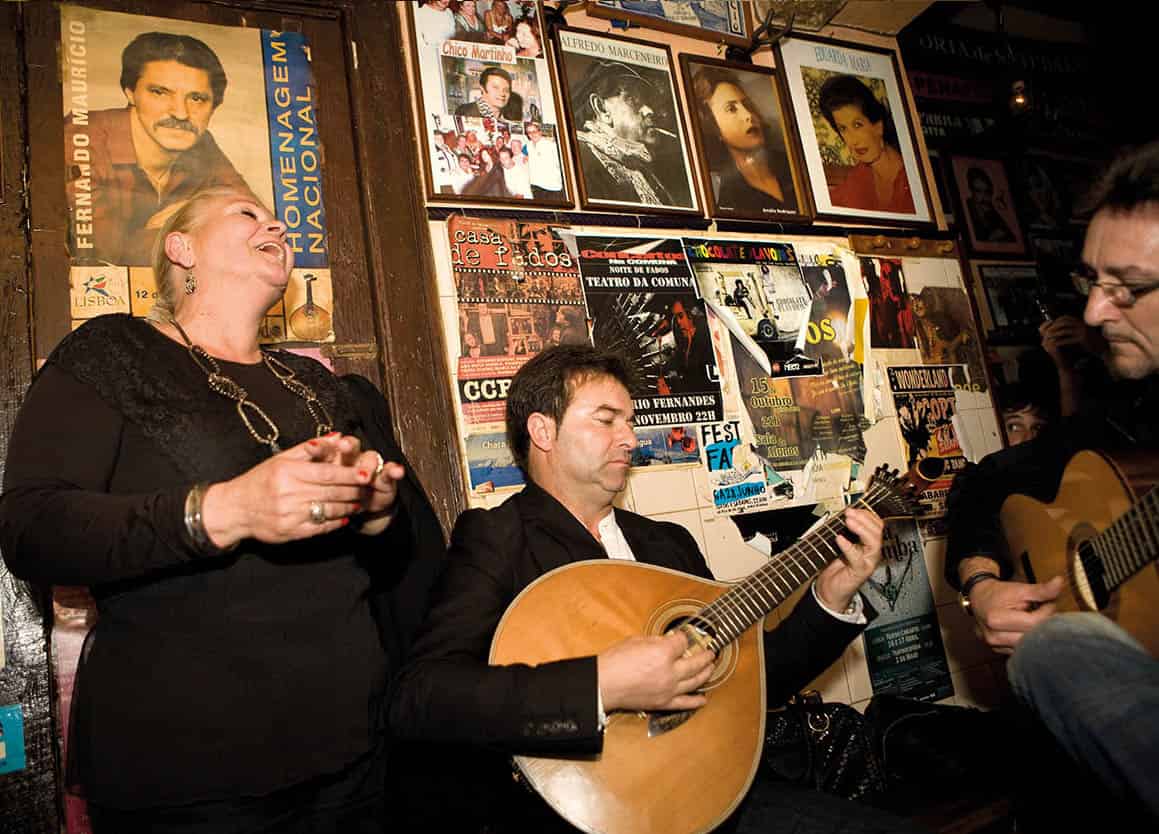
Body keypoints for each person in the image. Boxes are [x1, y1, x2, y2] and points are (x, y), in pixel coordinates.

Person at [0, 186, 446, 832]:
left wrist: (377, 512)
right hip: (189, 773)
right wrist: (223, 511)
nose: (274, 222)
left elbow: (387, 562)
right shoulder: (114, 353)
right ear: (181, 248)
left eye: (275, 216)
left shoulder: (316, 381)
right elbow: (33, 528)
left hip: (350, 752)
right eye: (245, 213)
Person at [390, 344, 927, 833]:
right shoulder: (497, 539)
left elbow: (752, 682)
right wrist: (600, 686)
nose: (629, 438)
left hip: (712, 799)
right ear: (543, 432)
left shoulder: (668, 544)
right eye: (606, 420)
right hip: (578, 819)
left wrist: (829, 599)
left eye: (630, 421)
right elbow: (422, 698)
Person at [944, 141, 1159, 824]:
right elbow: (980, 487)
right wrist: (981, 584)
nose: (1094, 312)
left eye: (1126, 287)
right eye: (1090, 280)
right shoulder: (1126, 419)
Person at [64, 32, 254, 266]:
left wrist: (189, 214)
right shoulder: (81, 137)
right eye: (160, 93)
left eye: (197, 98)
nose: (181, 113)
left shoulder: (200, 143)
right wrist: (185, 224)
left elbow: (256, 225)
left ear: (214, 106)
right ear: (130, 92)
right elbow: (100, 261)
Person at [572, 60, 693, 208]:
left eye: (649, 100)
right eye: (632, 98)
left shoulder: (644, 166)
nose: (650, 110)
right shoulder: (579, 157)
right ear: (602, 109)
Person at [690, 65, 798, 216]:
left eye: (747, 105)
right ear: (712, 126)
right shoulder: (726, 195)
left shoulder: (792, 166)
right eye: (731, 109)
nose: (748, 115)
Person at [817, 75, 914, 214]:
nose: (853, 140)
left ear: (878, 126)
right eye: (843, 129)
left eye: (858, 125)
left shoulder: (910, 177)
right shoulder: (861, 175)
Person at [658, 298, 716, 395]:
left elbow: (697, 380)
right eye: (676, 317)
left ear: (691, 315)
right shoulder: (683, 341)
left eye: (680, 316)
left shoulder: (705, 338)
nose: (679, 322)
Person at [964, 167, 1016, 243]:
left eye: (986, 192)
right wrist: (990, 239)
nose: (983, 196)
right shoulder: (966, 209)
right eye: (978, 191)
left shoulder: (993, 210)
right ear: (971, 190)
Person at [454, 65, 522, 121]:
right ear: (482, 88)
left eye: (506, 90)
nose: (502, 94)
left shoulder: (509, 117)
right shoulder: (465, 111)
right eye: (496, 88)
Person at [524, 121, 564, 199]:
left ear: (540, 132)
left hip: (551, 187)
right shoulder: (528, 145)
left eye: (534, 131)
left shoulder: (551, 145)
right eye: (529, 132)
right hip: (535, 185)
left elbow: (560, 164)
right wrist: (526, 157)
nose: (532, 134)